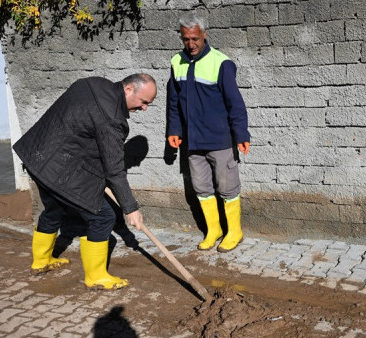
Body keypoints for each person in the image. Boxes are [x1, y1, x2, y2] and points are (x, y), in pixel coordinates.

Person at [13, 74, 157, 289]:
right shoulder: (112, 120)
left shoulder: (93, 83)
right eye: (144, 102)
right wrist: (131, 209)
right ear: (128, 89)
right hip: (59, 167)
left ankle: (41, 261)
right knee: (103, 218)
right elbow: (115, 171)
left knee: (54, 209)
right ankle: (96, 277)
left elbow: (78, 129)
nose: (145, 108)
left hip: (36, 155)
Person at [166, 16, 250, 252]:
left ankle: (235, 231)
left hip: (220, 140)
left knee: (228, 188)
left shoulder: (221, 63)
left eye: (194, 38)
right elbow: (173, 101)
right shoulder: (176, 62)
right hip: (192, 142)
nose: (190, 43)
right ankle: (214, 230)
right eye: (186, 39)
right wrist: (174, 130)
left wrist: (241, 134)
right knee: (201, 188)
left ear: (204, 35)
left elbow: (235, 103)